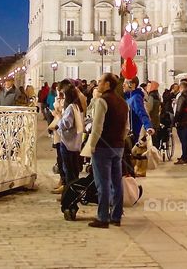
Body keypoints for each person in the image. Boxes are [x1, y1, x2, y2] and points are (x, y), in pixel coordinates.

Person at [83, 73, 128, 228]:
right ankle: (116, 216)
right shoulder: (123, 103)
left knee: (103, 183)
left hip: (103, 147)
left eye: (101, 81)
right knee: (117, 182)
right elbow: (126, 127)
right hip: (118, 146)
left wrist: (92, 144)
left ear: (108, 84)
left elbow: (97, 126)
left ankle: (103, 217)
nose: (98, 84)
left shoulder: (102, 101)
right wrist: (121, 140)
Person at [56, 83, 85, 188]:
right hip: (76, 142)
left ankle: (69, 191)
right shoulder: (78, 106)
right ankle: (74, 189)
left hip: (67, 141)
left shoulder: (70, 108)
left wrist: (59, 119)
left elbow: (66, 124)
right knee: (74, 168)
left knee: (68, 169)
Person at [173, 79, 187, 165]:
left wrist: (175, 120)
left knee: (184, 140)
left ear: (181, 87)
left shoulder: (182, 97)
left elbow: (179, 110)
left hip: (182, 121)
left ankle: (184, 158)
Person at [124, 79, 154, 144]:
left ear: (132, 85)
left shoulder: (135, 98)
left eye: (125, 83)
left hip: (135, 134)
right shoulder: (128, 98)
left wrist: (148, 126)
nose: (123, 85)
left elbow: (142, 113)